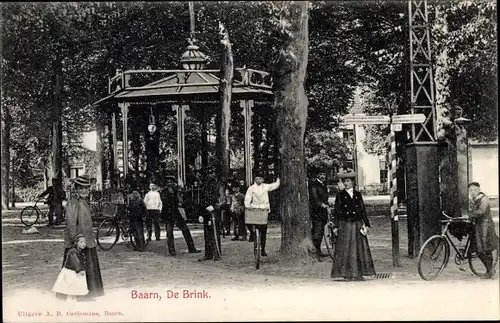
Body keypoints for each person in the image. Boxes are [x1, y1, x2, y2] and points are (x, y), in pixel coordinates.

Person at [60, 175, 104, 299]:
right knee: (76, 267)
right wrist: (77, 239)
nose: (84, 191)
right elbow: (71, 223)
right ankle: (77, 295)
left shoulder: (83, 202)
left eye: (86, 188)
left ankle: (86, 294)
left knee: (87, 268)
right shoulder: (73, 203)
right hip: (79, 241)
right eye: (81, 188)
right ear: (76, 189)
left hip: (87, 241)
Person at [331, 172, 375, 281]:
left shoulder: (357, 194)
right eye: (344, 181)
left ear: (353, 182)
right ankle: (347, 274)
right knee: (346, 248)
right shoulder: (340, 195)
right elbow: (336, 211)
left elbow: (362, 209)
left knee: (360, 248)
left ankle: (359, 273)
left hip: (357, 223)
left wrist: (366, 223)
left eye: (348, 181)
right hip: (345, 224)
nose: (346, 184)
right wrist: (336, 226)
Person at [160, 176, 200, 256]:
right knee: (170, 232)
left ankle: (191, 247)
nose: (170, 183)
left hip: (176, 213)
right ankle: (172, 250)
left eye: (171, 182)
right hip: (168, 214)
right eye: (168, 182)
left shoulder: (176, 191)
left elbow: (181, 201)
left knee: (185, 230)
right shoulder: (164, 192)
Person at [466, 182, 499, 279]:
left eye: (474, 190)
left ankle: (490, 271)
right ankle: (490, 270)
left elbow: (481, 211)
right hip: (479, 226)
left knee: (485, 248)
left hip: (486, 226)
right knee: (479, 249)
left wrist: (469, 214)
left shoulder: (484, 199)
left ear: (479, 190)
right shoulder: (474, 199)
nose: (472, 192)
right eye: (470, 190)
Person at [244, 175, 280, 257]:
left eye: (260, 178)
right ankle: (252, 234)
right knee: (249, 222)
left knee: (263, 230)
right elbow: (247, 198)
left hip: (264, 209)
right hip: (254, 208)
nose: (258, 180)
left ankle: (263, 249)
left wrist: (278, 179)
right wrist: (248, 206)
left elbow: (274, 185)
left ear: (262, 179)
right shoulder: (251, 188)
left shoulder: (265, 186)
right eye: (256, 179)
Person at [53, 234, 89, 301]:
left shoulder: (80, 251)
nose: (83, 244)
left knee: (74, 286)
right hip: (71, 272)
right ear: (76, 243)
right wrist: (79, 270)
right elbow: (75, 261)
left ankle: (73, 299)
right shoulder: (73, 251)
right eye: (81, 242)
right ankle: (69, 299)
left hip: (74, 271)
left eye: (84, 242)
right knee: (71, 286)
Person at [199, 170, 225, 261]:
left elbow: (222, 199)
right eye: (208, 173)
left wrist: (215, 207)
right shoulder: (204, 186)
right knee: (207, 233)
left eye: (212, 173)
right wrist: (201, 213)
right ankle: (208, 254)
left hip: (214, 212)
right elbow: (202, 200)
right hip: (206, 211)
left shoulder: (219, 185)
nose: (210, 175)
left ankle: (216, 253)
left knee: (215, 232)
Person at [309, 169, 330, 259]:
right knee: (317, 231)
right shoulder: (314, 185)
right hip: (316, 211)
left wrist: (327, 204)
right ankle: (315, 252)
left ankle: (319, 250)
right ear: (317, 175)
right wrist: (321, 204)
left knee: (321, 231)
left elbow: (325, 197)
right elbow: (314, 198)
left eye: (324, 174)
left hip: (323, 211)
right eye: (320, 174)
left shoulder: (324, 185)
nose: (322, 176)